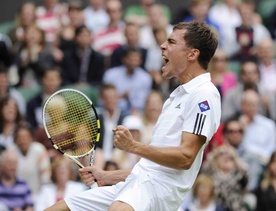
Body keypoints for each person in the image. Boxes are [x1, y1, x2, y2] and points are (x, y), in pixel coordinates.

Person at [45, 20, 221, 211]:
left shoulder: (203, 94)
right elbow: (151, 168)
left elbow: (186, 158)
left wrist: (133, 146)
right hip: (138, 184)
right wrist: (107, 176)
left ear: (192, 54)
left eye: (171, 42)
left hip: (157, 192)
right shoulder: (175, 96)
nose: (162, 45)